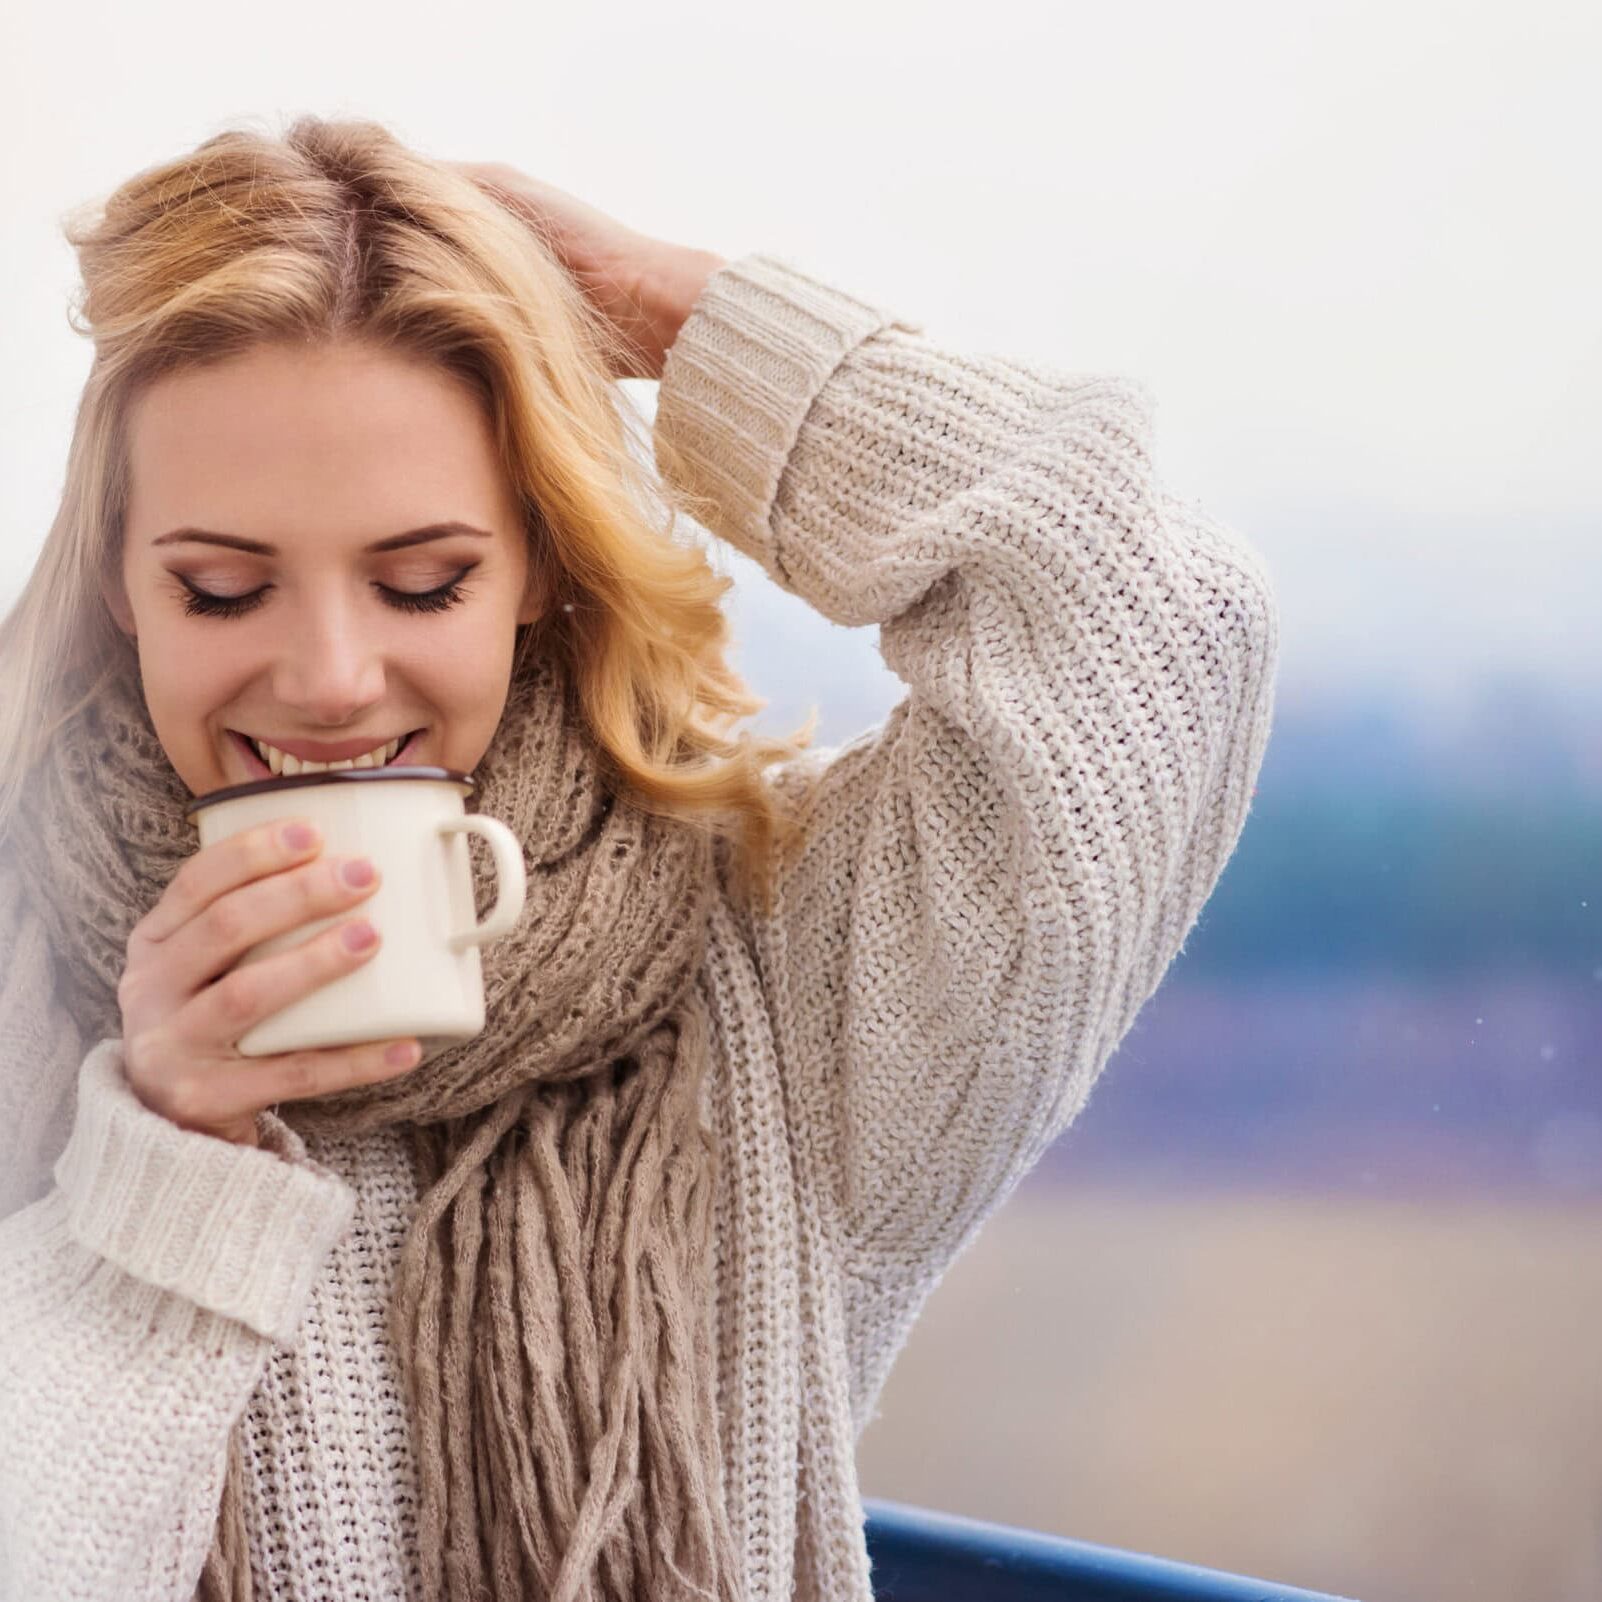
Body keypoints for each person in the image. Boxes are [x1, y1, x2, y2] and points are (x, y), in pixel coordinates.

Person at [0, 116, 1278, 1602]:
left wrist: (682, 322)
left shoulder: (780, 963)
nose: (332, 677)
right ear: (119, 581)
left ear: (540, 555)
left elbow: (1158, 621)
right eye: (223, 589)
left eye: (425, 580)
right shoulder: (27, 976)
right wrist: (162, 1168)